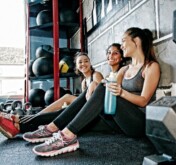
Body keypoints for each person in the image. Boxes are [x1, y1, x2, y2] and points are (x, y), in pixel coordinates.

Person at [21, 27, 160, 157]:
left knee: (102, 88)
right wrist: (95, 83)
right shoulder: (124, 70)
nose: (122, 45)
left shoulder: (150, 67)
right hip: (118, 123)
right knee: (94, 97)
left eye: (124, 41)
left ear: (136, 41)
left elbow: (144, 100)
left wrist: (121, 92)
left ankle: (67, 136)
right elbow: (107, 87)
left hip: (137, 124)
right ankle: (51, 128)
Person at [0, 44, 125, 139]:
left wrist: (93, 84)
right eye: (80, 62)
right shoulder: (94, 79)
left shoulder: (99, 75)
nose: (83, 64)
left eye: (86, 61)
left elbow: (97, 97)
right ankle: (20, 126)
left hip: (101, 115)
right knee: (63, 110)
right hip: (92, 111)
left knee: (67, 99)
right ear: (76, 66)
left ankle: (21, 120)